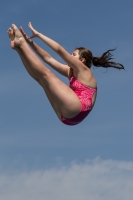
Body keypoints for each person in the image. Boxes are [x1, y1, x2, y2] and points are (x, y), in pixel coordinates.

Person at [7, 23, 124, 126]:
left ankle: (21, 43)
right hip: (67, 117)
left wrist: (38, 35)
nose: (70, 56)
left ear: (82, 60)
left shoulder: (84, 70)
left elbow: (59, 50)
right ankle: (19, 48)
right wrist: (30, 42)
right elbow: (48, 58)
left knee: (46, 75)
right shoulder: (70, 71)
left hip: (76, 108)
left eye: (74, 54)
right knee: (41, 79)